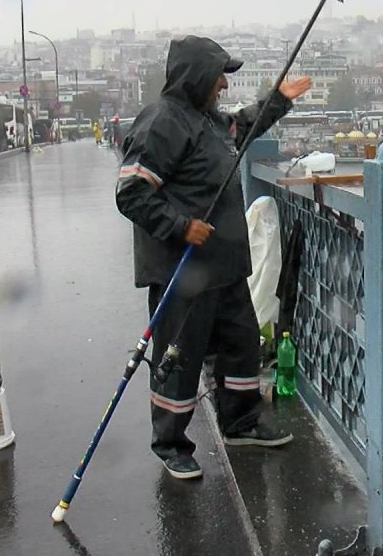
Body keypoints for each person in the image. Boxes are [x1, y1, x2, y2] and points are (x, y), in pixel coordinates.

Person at [115, 35, 312, 479]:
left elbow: (241, 128)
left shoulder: (204, 119)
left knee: (241, 346)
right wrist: (181, 225)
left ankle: (241, 421)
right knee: (178, 357)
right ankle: (170, 443)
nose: (224, 83)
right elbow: (131, 192)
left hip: (224, 266)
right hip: (183, 270)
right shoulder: (161, 122)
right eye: (219, 74)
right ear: (197, 76)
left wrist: (277, 100)